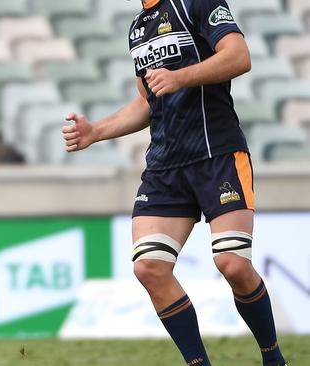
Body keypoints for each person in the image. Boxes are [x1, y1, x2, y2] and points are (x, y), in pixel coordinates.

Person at [62, 0, 287, 365]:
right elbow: (148, 100)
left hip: (216, 153)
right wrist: (96, 131)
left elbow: (239, 56)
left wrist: (180, 76)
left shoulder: (196, 3)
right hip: (166, 164)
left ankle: (273, 358)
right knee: (148, 266)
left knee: (232, 263)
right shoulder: (138, 26)